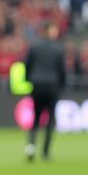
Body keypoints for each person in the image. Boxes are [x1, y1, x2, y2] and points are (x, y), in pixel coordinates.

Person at [23, 23, 66, 161]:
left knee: (36, 117)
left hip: (37, 84)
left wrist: (29, 80)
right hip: (52, 85)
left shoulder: (34, 46)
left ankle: (31, 146)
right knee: (51, 118)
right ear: (49, 31)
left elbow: (27, 65)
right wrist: (62, 85)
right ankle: (46, 152)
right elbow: (62, 70)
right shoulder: (58, 48)